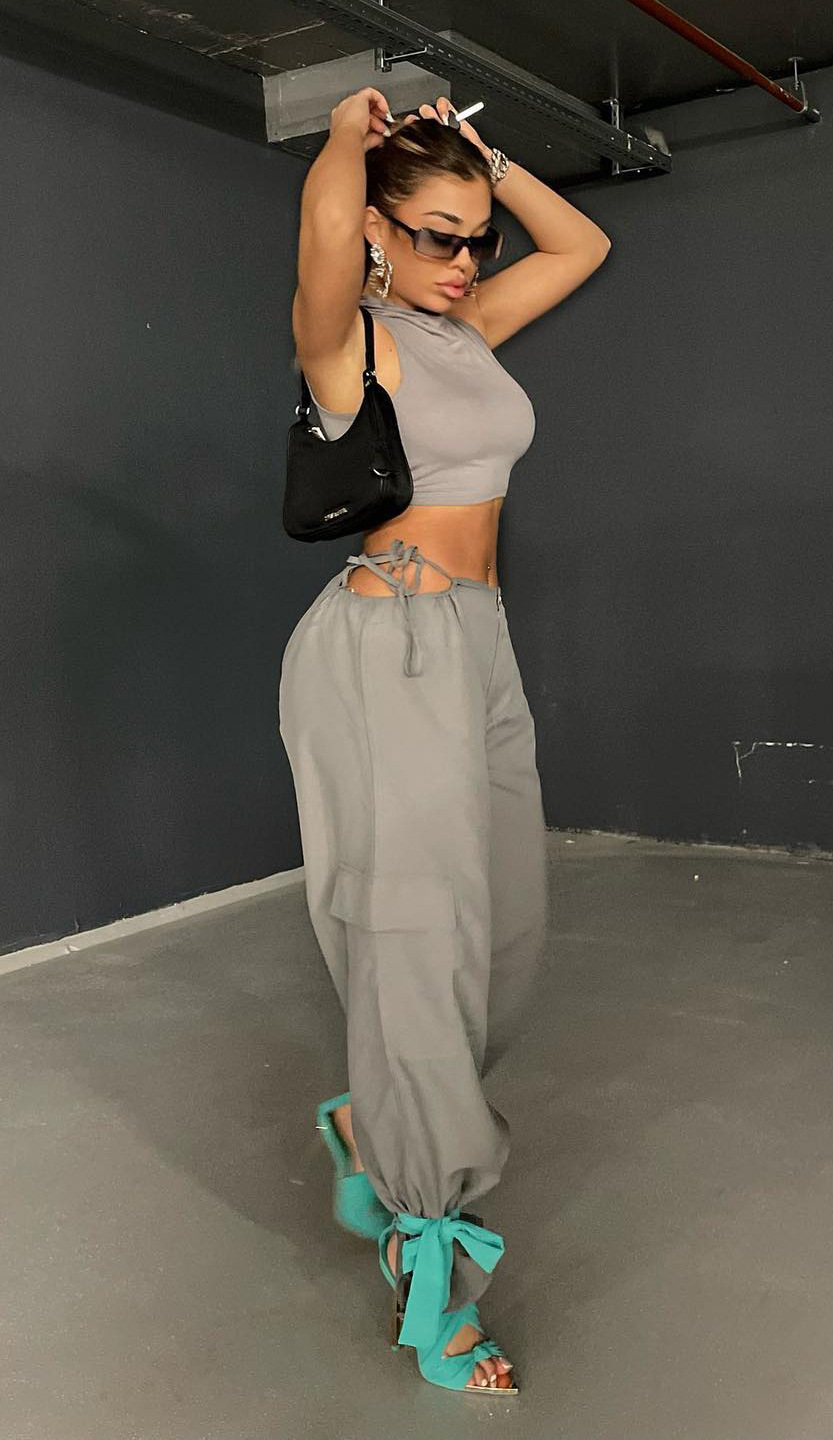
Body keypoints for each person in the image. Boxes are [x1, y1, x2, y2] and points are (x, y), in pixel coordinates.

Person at [279, 87, 611, 1394]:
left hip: (478, 641)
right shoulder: (349, 343)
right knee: (418, 942)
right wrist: (343, 145)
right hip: (387, 647)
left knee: (503, 933)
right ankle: (427, 1254)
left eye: (476, 239)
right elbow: (322, 241)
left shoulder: (465, 326)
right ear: (377, 232)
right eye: (436, 235)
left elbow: (582, 245)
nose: (466, 260)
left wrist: (486, 158)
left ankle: (377, 1122)